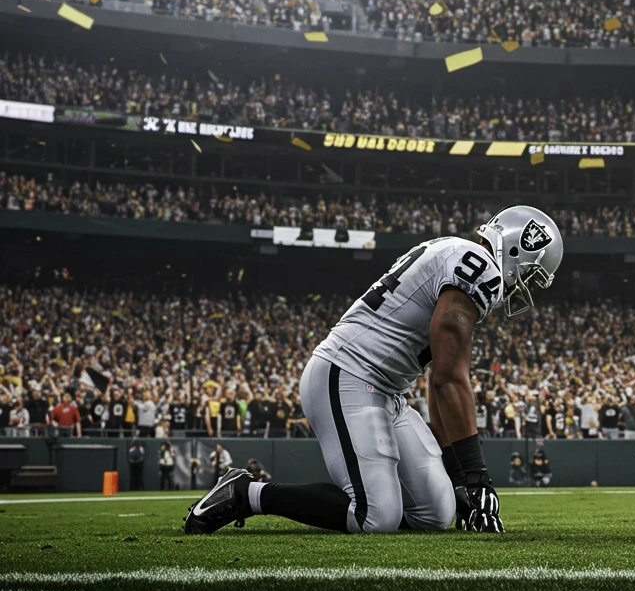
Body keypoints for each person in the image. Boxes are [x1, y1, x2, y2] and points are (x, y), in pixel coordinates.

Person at [183, 205, 562, 536]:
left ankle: (378, 495)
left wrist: (459, 477)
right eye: (530, 275)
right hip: (347, 373)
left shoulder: (452, 251)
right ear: (517, 250)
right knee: (374, 516)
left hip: (386, 391)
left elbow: (437, 381)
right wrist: (478, 478)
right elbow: (449, 380)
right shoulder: (479, 271)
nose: (522, 288)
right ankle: (245, 494)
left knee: (435, 513)